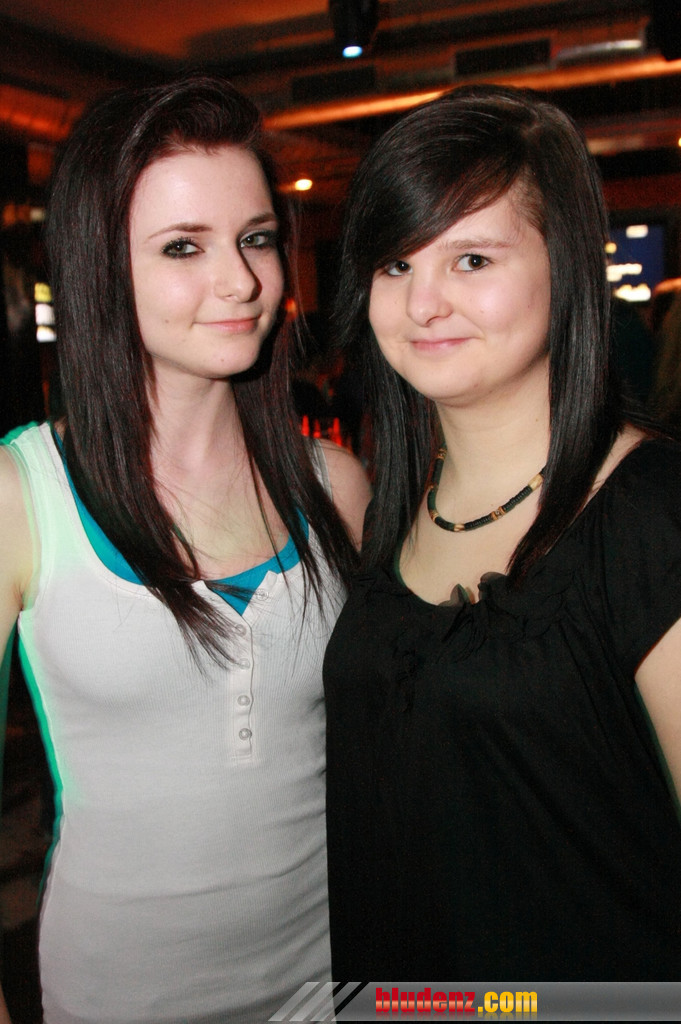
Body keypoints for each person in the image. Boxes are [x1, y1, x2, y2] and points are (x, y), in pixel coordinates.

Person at [0, 75, 369, 1024]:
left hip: (329, 986)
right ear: (99, 269)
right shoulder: (21, 496)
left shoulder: (336, 488)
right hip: (115, 998)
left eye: (256, 238)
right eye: (182, 247)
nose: (240, 281)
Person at [324, 85, 681, 981]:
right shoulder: (395, 503)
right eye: (395, 264)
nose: (422, 303)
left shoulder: (651, 515)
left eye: (472, 259)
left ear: (566, 266)